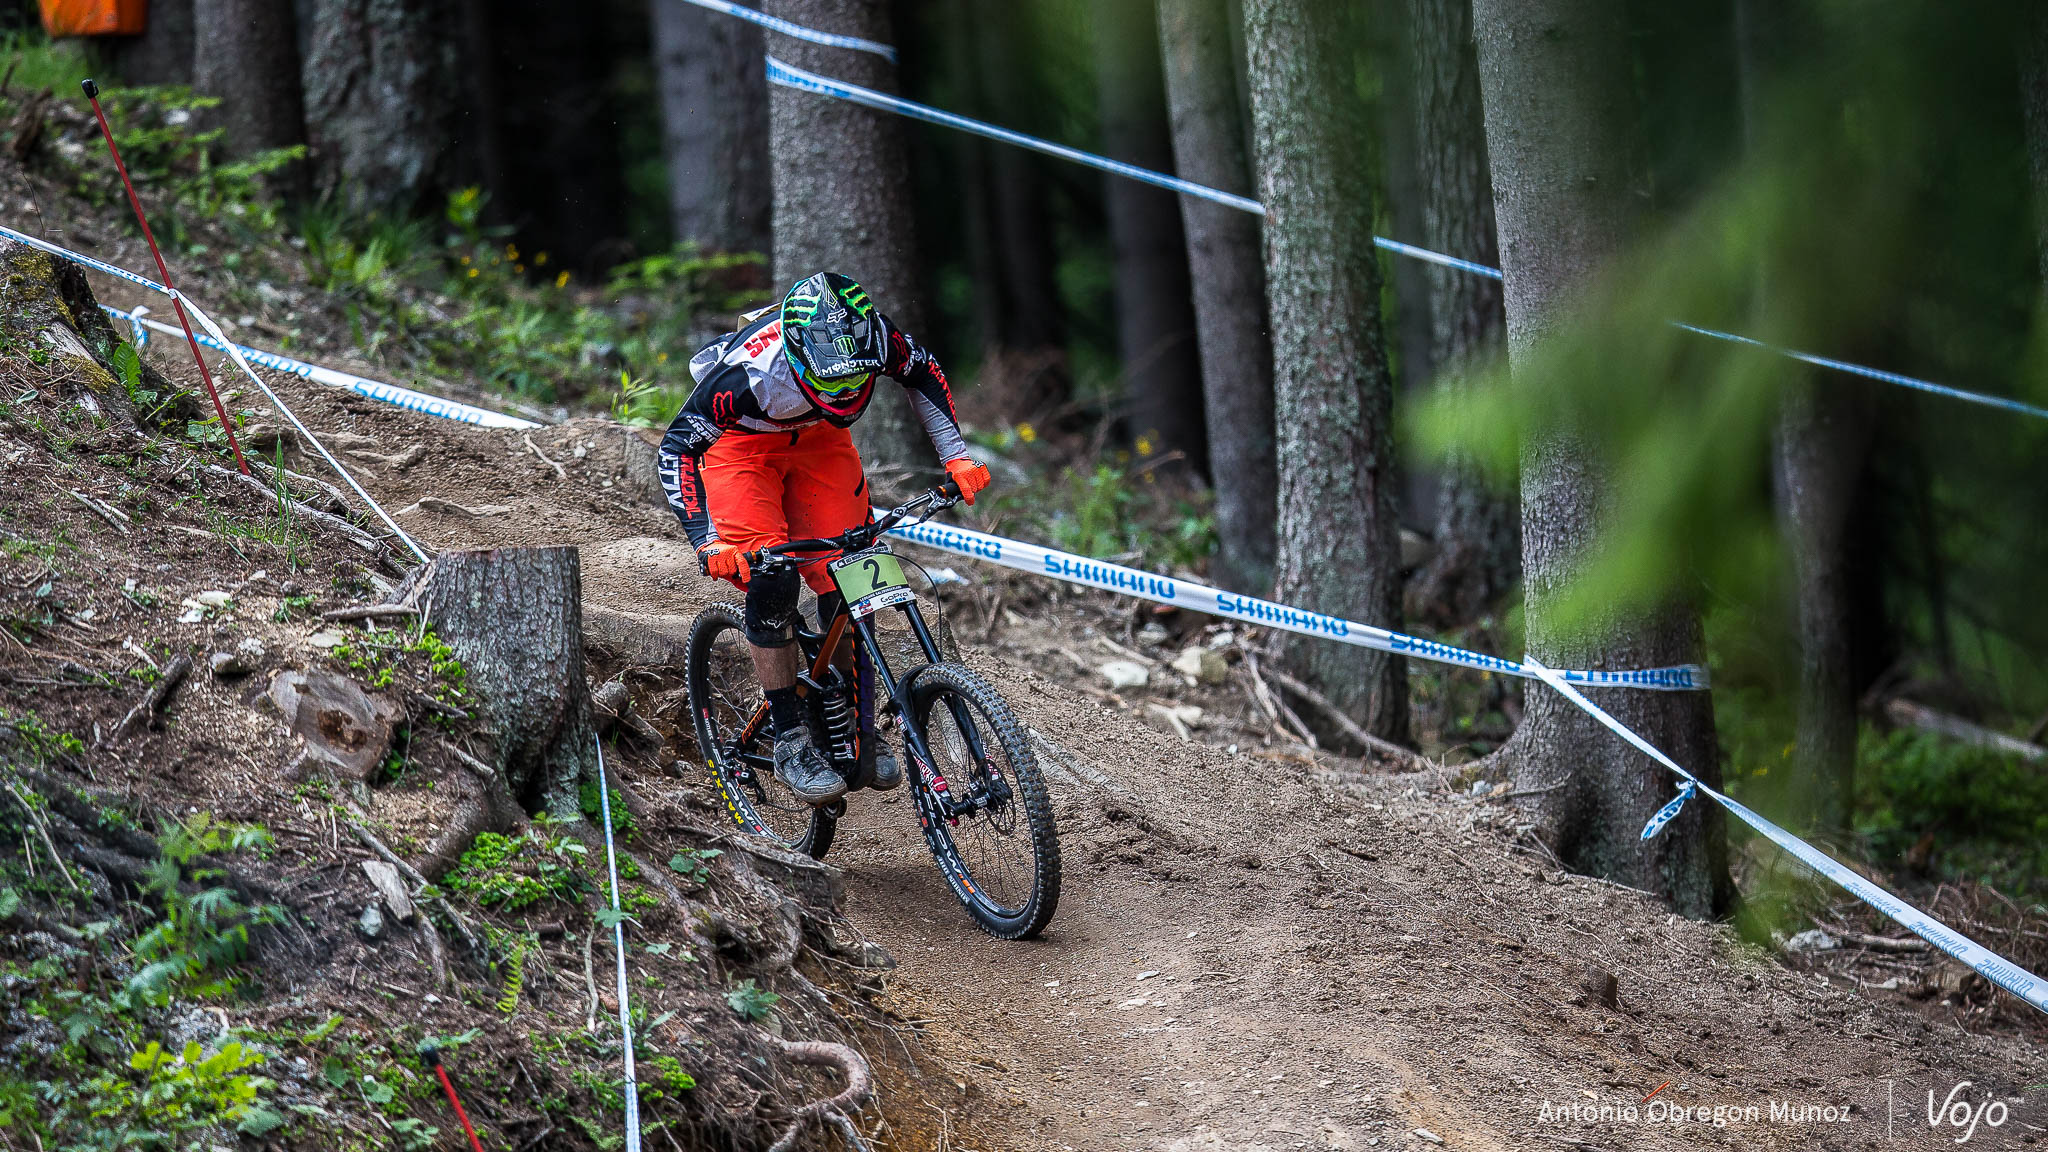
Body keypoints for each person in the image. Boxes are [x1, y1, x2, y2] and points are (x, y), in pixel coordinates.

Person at [658, 272, 991, 805]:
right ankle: (789, 736)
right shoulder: (745, 375)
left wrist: (956, 456)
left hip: (820, 440)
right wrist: (707, 541)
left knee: (852, 567)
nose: (846, 392)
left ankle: (857, 724)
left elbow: (922, 370)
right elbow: (676, 449)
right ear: (796, 359)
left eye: (855, 380)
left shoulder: (873, 334)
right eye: (832, 383)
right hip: (741, 447)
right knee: (773, 576)